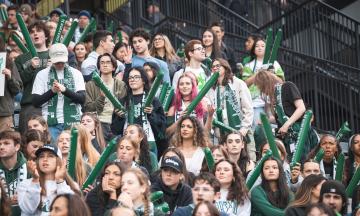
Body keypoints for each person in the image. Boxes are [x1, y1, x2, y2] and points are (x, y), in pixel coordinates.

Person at [254, 70, 315, 159]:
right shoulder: (274, 96)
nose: (263, 92)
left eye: (262, 88)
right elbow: (280, 117)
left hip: (299, 130)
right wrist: (266, 120)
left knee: (301, 159)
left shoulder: (287, 86)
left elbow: (301, 108)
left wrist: (286, 125)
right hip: (286, 135)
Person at [32, 43, 85, 142]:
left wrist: (65, 90)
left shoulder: (76, 73)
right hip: (50, 124)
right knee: (53, 153)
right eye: (57, 62)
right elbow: (35, 101)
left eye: (62, 61)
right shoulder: (42, 74)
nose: (60, 64)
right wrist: (52, 91)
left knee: (74, 154)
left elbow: (82, 98)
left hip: (73, 122)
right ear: (51, 59)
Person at [111, 66, 166, 157]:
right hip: (126, 146)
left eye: (136, 77)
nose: (133, 80)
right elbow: (115, 130)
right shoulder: (123, 101)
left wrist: (151, 114)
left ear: (143, 80)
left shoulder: (153, 100)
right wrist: (119, 117)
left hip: (149, 145)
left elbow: (162, 127)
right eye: (130, 77)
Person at [206, 58, 254, 157]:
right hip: (221, 136)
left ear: (225, 67)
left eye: (218, 66)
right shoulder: (210, 88)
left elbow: (248, 109)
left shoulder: (238, 83)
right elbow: (211, 111)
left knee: (247, 162)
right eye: (213, 67)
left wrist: (242, 131)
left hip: (241, 133)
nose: (215, 68)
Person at [17, 144, 77, 215]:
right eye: (41, 156)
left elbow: (71, 209)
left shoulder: (71, 185)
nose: (45, 159)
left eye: (50, 156)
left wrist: (60, 181)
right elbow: (28, 209)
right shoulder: (25, 184)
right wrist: (35, 181)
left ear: (59, 160)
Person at [15, 21, 50, 134]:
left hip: (52, 105)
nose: (35, 34)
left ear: (46, 35)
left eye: (39, 31)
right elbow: (18, 83)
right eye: (32, 32)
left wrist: (54, 69)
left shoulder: (54, 55)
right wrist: (31, 68)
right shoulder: (21, 59)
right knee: (27, 142)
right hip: (30, 106)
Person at [243, 37, 285, 129]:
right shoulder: (248, 65)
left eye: (262, 46)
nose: (259, 47)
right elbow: (245, 84)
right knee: (258, 129)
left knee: (274, 129)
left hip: (273, 102)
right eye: (257, 46)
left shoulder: (274, 63)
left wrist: (270, 74)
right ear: (253, 49)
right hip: (255, 102)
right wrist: (259, 73)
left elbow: (282, 82)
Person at [84, 53, 127, 141]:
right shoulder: (90, 85)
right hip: (98, 123)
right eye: (102, 63)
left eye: (108, 62)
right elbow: (88, 108)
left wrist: (120, 113)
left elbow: (125, 107)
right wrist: (101, 97)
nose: (105, 64)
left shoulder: (121, 85)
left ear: (114, 67)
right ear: (98, 67)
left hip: (116, 124)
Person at [0, 37, 22, 133]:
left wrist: (9, 77)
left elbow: (17, 90)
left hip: (4, 114)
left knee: (5, 143)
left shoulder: (8, 63)